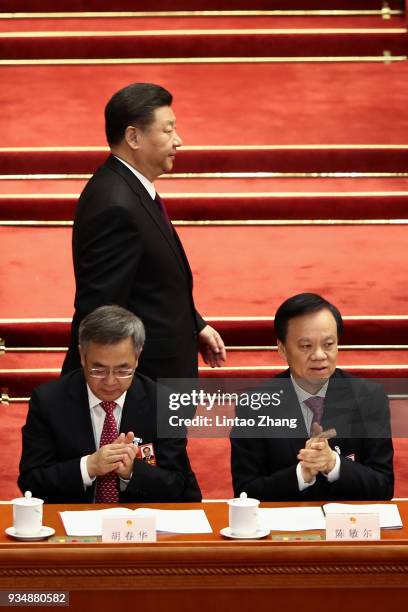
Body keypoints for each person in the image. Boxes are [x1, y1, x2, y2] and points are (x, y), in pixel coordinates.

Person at [61, 82, 226, 379]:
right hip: (143, 387)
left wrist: (194, 323)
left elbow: (149, 282)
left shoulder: (131, 188)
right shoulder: (115, 205)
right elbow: (100, 311)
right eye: (168, 130)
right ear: (133, 137)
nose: (179, 140)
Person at [19, 305, 201, 503]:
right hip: (73, 524)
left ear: (137, 357)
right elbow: (31, 483)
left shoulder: (164, 403)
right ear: (82, 356)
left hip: (139, 525)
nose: (110, 381)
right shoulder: (49, 401)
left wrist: (131, 472)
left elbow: (180, 485)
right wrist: (88, 467)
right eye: (98, 369)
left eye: (123, 370)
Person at [231, 293, 394, 501]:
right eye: (306, 346)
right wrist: (301, 474)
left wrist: (334, 464)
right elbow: (245, 492)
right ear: (282, 349)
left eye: (328, 344)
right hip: (284, 527)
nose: (319, 355)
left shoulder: (369, 398)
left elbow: (384, 487)